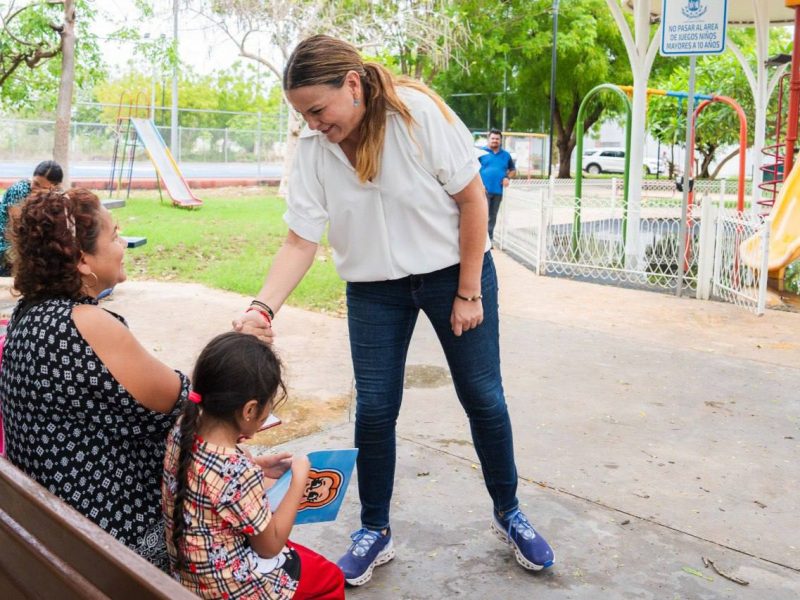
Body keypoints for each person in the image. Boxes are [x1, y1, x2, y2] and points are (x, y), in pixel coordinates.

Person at [233, 34, 555, 587]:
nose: (312, 123)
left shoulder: (417, 116)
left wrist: (469, 291)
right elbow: (299, 241)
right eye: (302, 114)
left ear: (352, 85)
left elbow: (473, 200)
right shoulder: (314, 151)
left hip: (453, 273)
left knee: (483, 396)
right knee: (376, 409)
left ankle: (510, 512)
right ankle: (374, 529)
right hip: (374, 290)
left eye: (318, 109)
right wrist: (262, 308)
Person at [0, 188, 188, 571]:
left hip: (57, 537)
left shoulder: (28, 316)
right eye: (114, 235)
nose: (122, 245)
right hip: (120, 547)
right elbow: (186, 401)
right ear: (83, 260)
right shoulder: (87, 324)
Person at [162, 331, 345, 599]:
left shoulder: (183, 429)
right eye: (268, 407)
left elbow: (210, 480)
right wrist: (299, 481)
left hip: (190, 576)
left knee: (305, 559)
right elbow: (270, 546)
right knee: (329, 577)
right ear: (249, 410)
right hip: (232, 589)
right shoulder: (237, 471)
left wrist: (257, 465)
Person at [0, 160, 63, 275]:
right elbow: (17, 228)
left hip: (31, 240)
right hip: (8, 242)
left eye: (41, 187)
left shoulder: (55, 196)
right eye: (35, 183)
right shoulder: (19, 190)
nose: (35, 189)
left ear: (54, 187)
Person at [478, 129, 516, 241]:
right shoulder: (481, 153)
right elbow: (473, 171)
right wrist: (478, 185)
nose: (495, 141)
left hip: (497, 191)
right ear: (488, 139)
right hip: (483, 190)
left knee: (492, 217)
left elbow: (513, 170)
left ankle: (489, 240)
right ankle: (480, 240)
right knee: (482, 216)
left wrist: (507, 177)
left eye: (497, 139)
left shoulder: (506, 155)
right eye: (493, 138)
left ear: (500, 140)